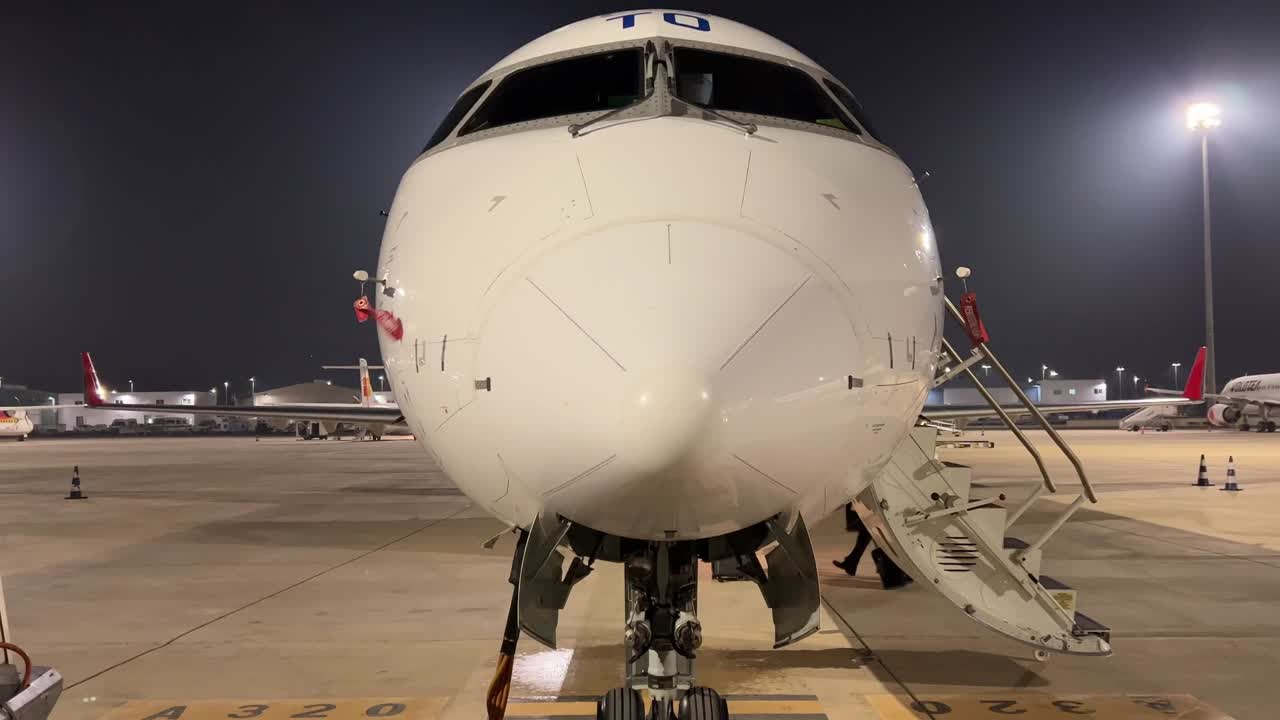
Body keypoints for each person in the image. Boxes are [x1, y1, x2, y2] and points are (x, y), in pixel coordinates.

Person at [833, 503, 913, 589]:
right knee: (868, 529)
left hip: (870, 504)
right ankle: (851, 563)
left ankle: (851, 563)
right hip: (870, 506)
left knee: (870, 529)